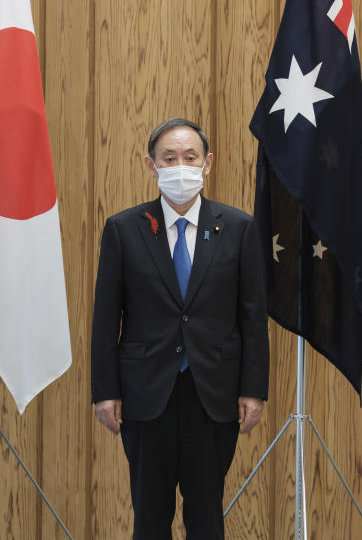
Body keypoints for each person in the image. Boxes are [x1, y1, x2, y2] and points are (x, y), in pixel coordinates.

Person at [91, 119, 270, 539]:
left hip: (214, 394)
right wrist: (105, 391)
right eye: (168, 158)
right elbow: (105, 318)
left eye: (190, 157)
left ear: (207, 164)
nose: (180, 166)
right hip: (145, 393)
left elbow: (252, 317)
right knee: (150, 518)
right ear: (151, 166)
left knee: (206, 516)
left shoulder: (239, 228)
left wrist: (253, 389)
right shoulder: (123, 228)